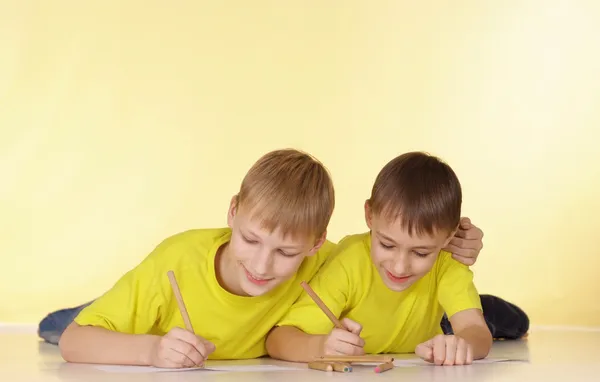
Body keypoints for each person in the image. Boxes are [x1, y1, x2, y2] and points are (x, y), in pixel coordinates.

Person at [58, 148, 337, 367]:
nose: (261, 265)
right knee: (58, 326)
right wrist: (153, 350)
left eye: (286, 252)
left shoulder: (328, 262)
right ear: (232, 211)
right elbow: (73, 340)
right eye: (250, 240)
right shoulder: (176, 260)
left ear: (316, 243)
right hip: (136, 323)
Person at [266, 152, 498, 366]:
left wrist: (462, 345)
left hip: (441, 322)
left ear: (449, 236)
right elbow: (278, 339)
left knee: (512, 321)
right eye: (387, 245)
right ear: (369, 215)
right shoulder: (350, 261)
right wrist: (320, 346)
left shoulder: (447, 261)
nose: (399, 266)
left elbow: (475, 330)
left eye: (420, 253)